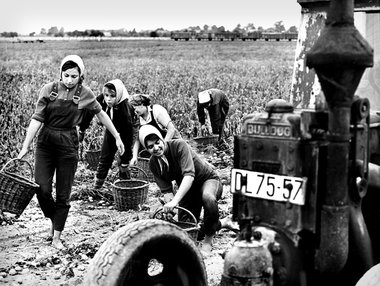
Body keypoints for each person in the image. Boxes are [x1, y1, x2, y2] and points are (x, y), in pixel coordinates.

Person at [17, 55, 125, 250]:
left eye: (74, 76)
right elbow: (36, 119)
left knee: (63, 194)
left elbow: (101, 114)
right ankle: (54, 218)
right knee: (41, 189)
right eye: (66, 75)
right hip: (45, 142)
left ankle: (57, 236)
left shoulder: (85, 93)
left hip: (68, 144)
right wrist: (26, 146)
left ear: (80, 76)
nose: (69, 80)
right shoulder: (48, 90)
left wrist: (117, 136)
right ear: (61, 73)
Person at [138, 124, 223, 254]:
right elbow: (166, 191)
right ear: (146, 149)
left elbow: (189, 176)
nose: (156, 148)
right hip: (188, 191)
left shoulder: (178, 145)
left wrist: (175, 201)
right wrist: (169, 208)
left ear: (162, 139)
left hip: (207, 180)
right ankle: (222, 224)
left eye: (157, 142)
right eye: (150, 146)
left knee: (208, 198)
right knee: (187, 230)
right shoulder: (153, 164)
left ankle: (208, 239)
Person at [80, 79, 139, 189]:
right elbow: (89, 112)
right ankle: (97, 187)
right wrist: (82, 129)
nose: (108, 99)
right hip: (111, 127)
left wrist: (126, 157)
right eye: (106, 95)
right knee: (105, 156)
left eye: (112, 96)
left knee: (124, 157)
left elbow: (128, 136)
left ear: (118, 95)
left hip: (128, 128)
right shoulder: (101, 99)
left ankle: (125, 185)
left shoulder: (124, 109)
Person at [129, 93, 181, 166]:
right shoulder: (138, 118)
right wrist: (134, 157)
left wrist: (163, 145)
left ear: (142, 104)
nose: (134, 112)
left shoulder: (156, 110)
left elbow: (171, 129)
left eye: (135, 108)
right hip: (156, 145)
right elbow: (137, 140)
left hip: (170, 141)